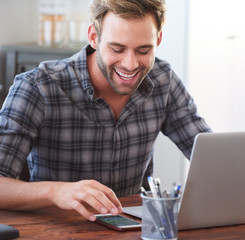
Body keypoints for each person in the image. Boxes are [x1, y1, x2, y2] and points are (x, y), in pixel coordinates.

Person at [0, 0, 211, 222]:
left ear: (158, 39)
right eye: (117, 49)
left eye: (143, 50)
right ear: (94, 37)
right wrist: (56, 191)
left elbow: (213, 156)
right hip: (62, 229)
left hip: (135, 231)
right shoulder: (38, 86)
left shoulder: (163, 79)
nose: (130, 64)